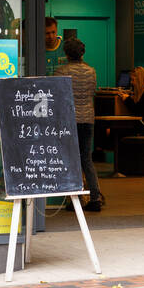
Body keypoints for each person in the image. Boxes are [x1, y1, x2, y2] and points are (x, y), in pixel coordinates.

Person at [56, 37, 104, 212]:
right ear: (82, 53)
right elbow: (92, 92)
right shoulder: (91, 71)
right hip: (87, 119)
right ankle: (95, 197)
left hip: (69, 119)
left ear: (66, 53)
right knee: (86, 159)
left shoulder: (61, 72)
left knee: (71, 159)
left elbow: (57, 96)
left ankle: (75, 198)